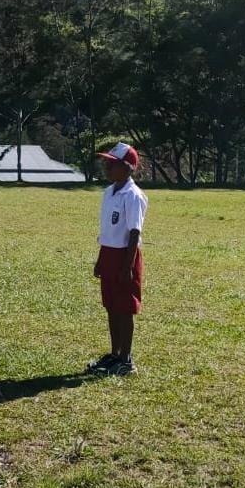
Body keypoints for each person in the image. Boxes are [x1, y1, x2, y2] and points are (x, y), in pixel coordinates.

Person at [86, 142, 148, 377]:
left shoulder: (133, 196)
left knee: (124, 308)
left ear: (127, 167)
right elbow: (108, 231)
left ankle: (126, 359)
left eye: (112, 164)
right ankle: (114, 353)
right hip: (110, 254)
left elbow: (134, 232)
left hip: (125, 256)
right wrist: (101, 259)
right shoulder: (109, 191)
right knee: (111, 305)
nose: (107, 167)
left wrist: (127, 265)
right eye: (107, 163)